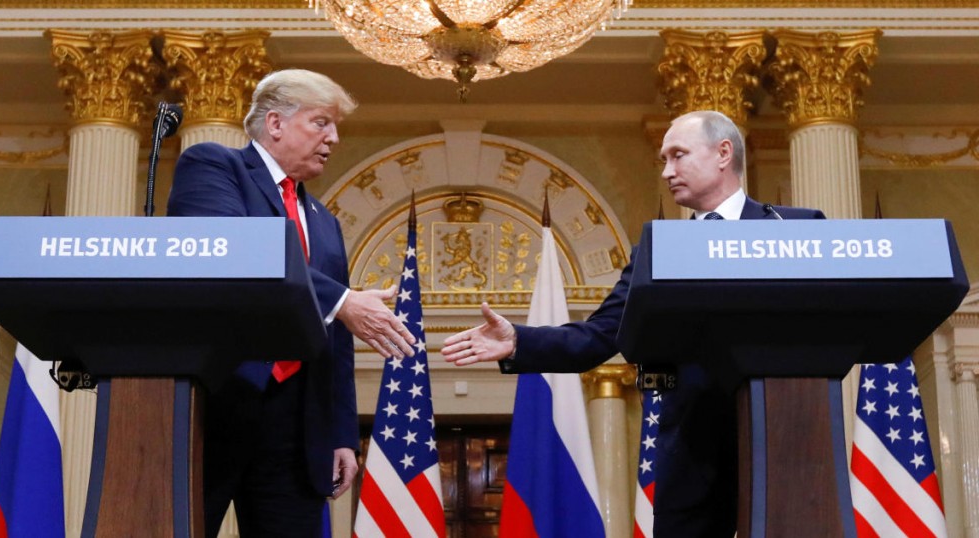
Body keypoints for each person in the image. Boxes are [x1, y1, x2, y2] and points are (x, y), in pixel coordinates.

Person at [441, 110, 824, 536]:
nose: (667, 171)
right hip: (692, 454)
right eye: (664, 159)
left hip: (784, 436)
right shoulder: (656, 251)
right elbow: (600, 335)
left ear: (723, 153)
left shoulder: (795, 229)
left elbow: (826, 319)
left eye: (678, 156)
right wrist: (518, 341)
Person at [167, 69, 417, 537]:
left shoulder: (324, 221)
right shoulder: (215, 166)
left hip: (298, 425)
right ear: (276, 123)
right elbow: (234, 249)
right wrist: (341, 298)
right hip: (215, 407)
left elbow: (336, 339)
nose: (334, 138)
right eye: (321, 123)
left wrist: (342, 433)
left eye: (335, 126)